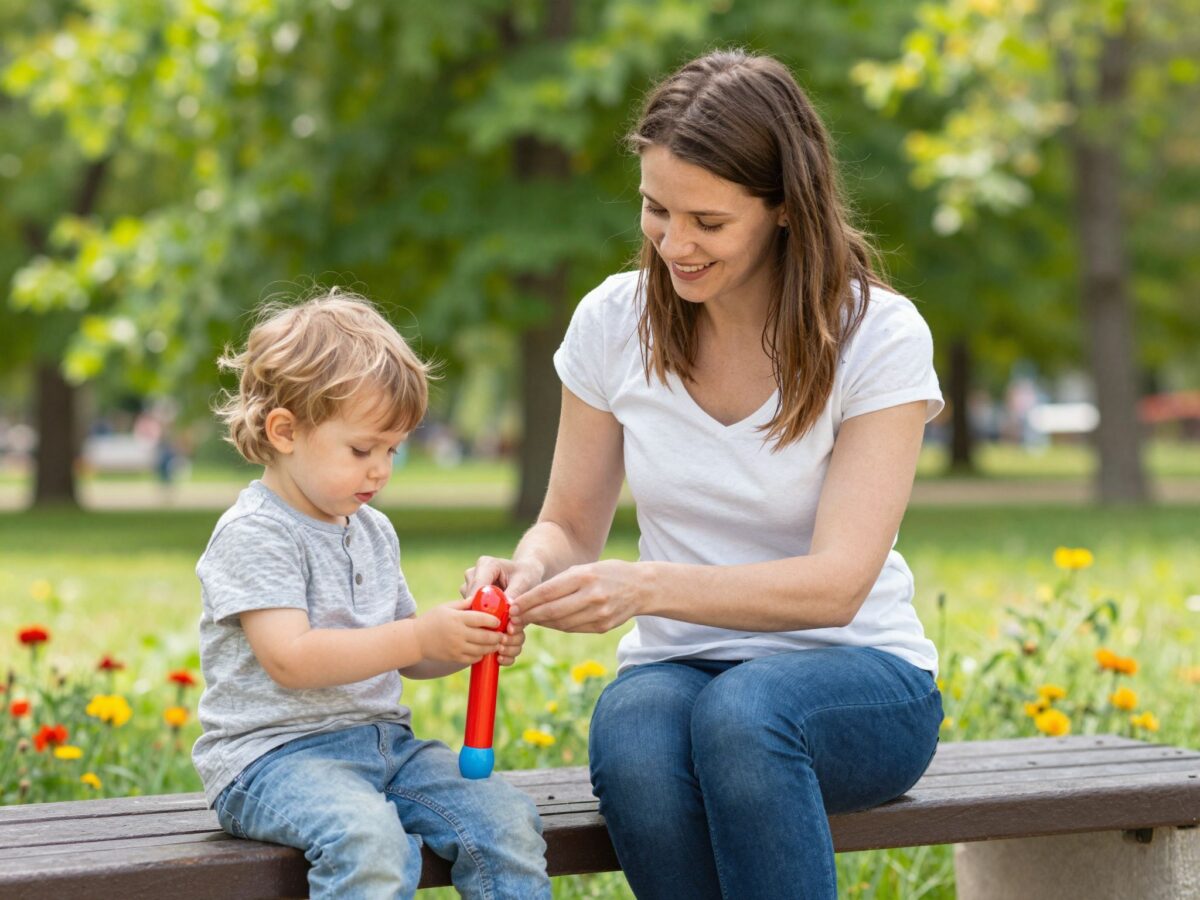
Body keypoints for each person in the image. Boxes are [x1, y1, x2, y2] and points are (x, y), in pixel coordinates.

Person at [463, 50, 943, 900]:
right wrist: (529, 569)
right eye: (656, 209)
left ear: (784, 210)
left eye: (708, 223)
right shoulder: (613, 322)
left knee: (745, 716)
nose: (674, 243)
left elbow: (836, 587)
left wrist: (645, 587)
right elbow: (571, 522)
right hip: (680, 670)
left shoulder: (878, 335)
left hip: (857, 677)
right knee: (636, 739)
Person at [193, 291, 550, 900]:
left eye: (393, 449)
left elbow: (410, 656)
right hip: (272, 759)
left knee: (506, 821)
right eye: (362, 450)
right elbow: (292, 659)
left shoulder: (372, 529)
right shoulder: (256, 531)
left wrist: (461, 640)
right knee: (370, 843)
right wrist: (416, 635)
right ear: (285, 431)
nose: (381, 470)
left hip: (386, 746)